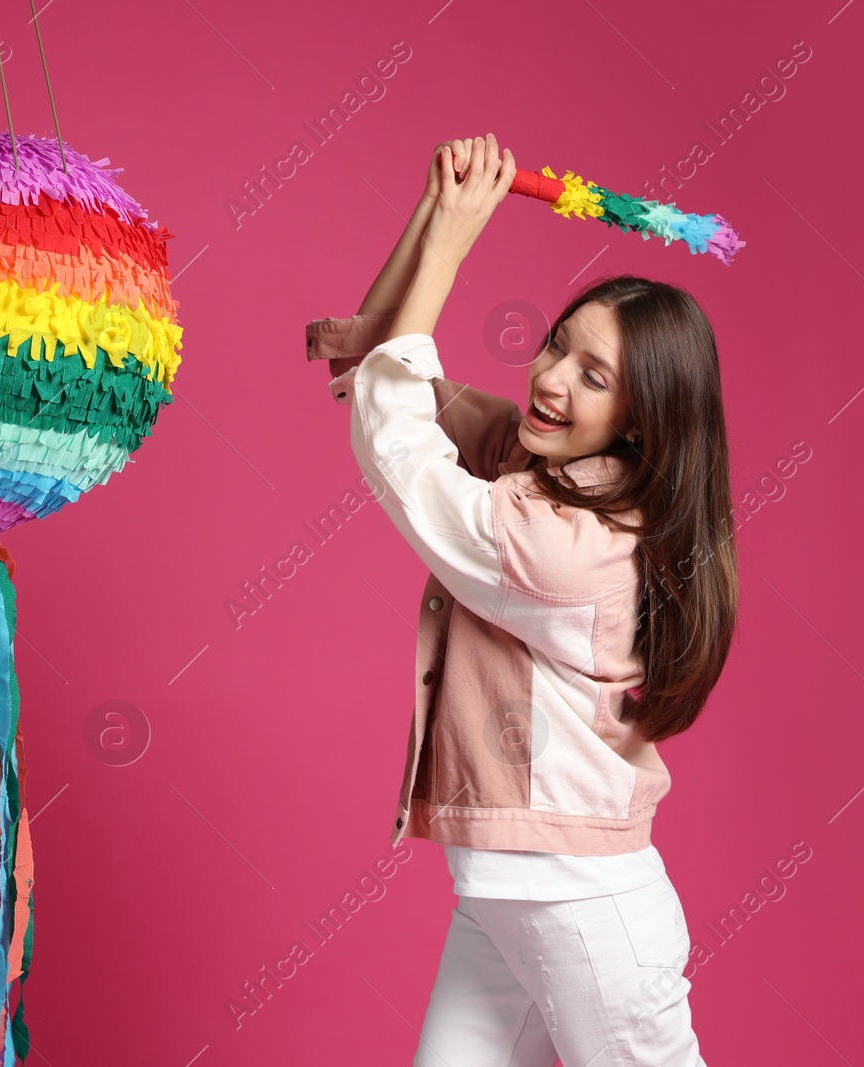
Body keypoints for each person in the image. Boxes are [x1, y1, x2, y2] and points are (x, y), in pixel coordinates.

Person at [303, 134, 738, 1066]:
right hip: (508, 898)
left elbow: (397, 446)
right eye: (556, 345)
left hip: (579, 900)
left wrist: (456, 248)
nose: (547, 379)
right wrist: (434, 217)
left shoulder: (572, 539)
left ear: (641, 417)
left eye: (594, 375)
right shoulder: (542, 466)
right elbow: (377, 375)